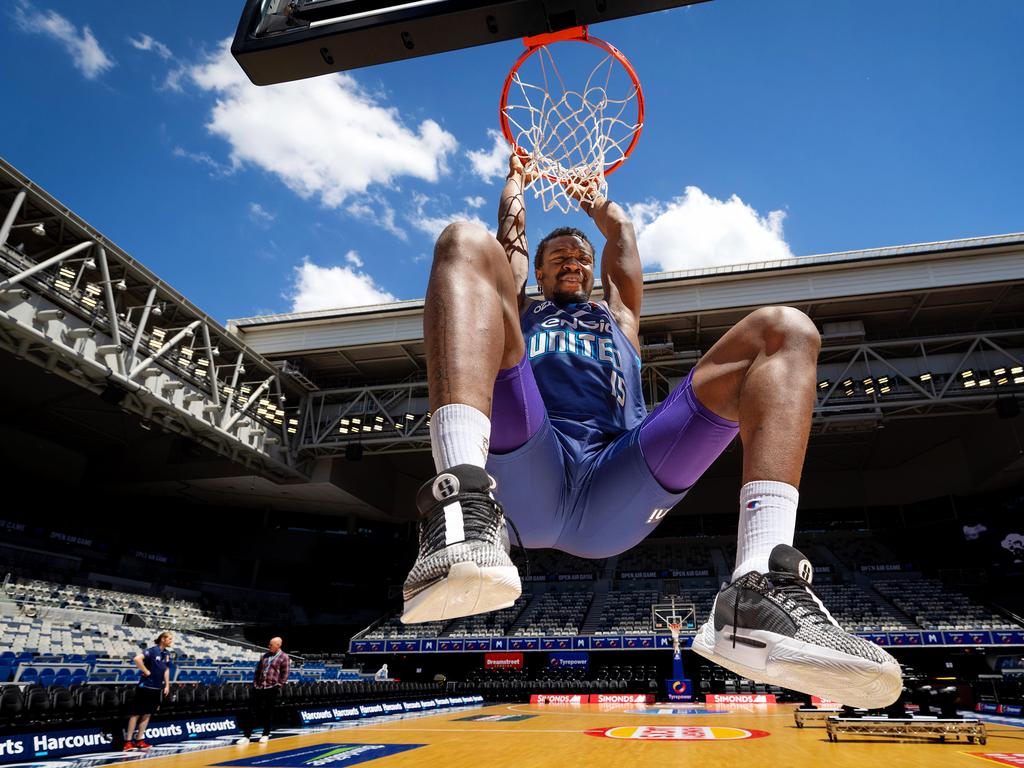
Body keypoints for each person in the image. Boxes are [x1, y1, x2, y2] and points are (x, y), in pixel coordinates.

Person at [399, 151, 901, 709]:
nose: (572, 263)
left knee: (786, 330)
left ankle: (756, 591)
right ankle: (461, 508)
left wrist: (601, 209)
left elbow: (622, 242)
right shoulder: (522, 308)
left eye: (581, 258)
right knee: (465, 241)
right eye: (559, 257)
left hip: (616, 480)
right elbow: (508, 243)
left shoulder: (620, 318)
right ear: (537, 273)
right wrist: (515, 185)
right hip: (526, 469)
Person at [124, 631, 172, 751]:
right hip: (145, 687)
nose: (171, 641)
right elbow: (137, 659)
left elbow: (166, 669)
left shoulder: (166, 653)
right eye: (169, 639)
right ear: (163, 639)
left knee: (147, 714)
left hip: (156, 688)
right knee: (136, 714)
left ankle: (139, 740)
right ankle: (128, 742)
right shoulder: (152, 650)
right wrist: (146, 671)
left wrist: (167, 685)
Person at [237, 637, 289, 745]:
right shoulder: (264, 656)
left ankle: (265, 734)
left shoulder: (284, 657)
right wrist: (255, 684)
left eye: (271, 644)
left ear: (278, 645)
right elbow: (258, 671)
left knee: (267, 712)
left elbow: (285, 673)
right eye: (269, 644)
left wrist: (278, 685)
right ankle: (246, 736)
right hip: (260, 687)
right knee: (251, 711)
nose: (268, 646)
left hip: (271, 687)